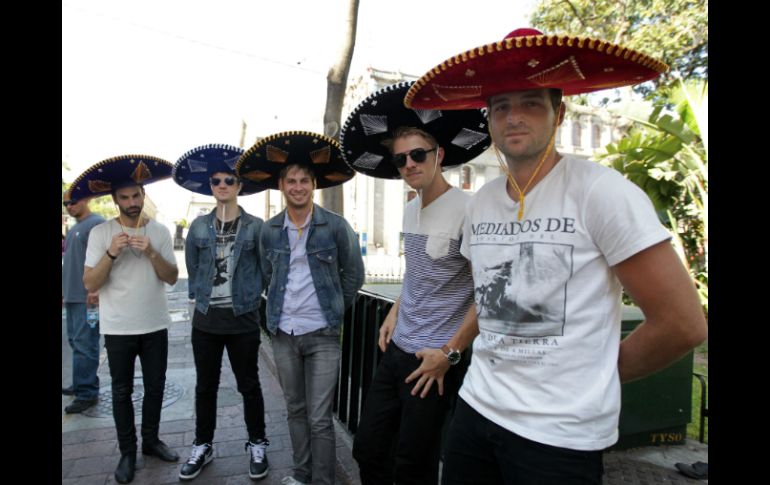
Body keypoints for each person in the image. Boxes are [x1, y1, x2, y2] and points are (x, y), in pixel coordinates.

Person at [405, 28, 708, 484]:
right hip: (477, 410)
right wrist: (452, 352)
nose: (514, 117)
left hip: (559, 436)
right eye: (501, 106)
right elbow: (487, 303)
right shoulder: (482, 201)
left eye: (530, 103)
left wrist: (598, 374)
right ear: (488, 120)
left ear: (559, 112)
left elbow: (683, 324)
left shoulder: (602, 193)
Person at [340, 81, 489, 485]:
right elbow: (418, 275)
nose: (408, 164)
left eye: (417, 155)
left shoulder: (469, 210)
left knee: (414, 464)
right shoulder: (409, 210)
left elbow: (487, 295)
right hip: (397, 349)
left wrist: (450, 354)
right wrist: (394, 310)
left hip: (434, 358)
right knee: (368, 447)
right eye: (400, 159)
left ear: (439, 155)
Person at [237, 131, 364, 485]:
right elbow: (266, 275)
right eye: (291, 180)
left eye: (304, 180)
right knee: (295, 410)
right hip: (283, 333)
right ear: (281, 186)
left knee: (320, 417)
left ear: (313, 185)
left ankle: (322, 481)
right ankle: (301, 474)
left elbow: (354, 275)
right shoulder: (270, 231)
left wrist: (335, 309)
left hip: (323, 334)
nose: (297, 186)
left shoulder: (335, 227)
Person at [78, 155, 180, 484]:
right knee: (121, 391)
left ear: (144, 196)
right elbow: (91, 284)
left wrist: (152, 252)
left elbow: (172, 278)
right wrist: (111, 253)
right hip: (118, 327)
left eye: (137, 196)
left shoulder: (160, 232)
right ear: (115, 200)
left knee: (155, 388)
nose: (132, 203)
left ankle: (151, 441)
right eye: (125, 197)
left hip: (154, 324)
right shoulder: (101, 234)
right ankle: (127, 452)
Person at [172, 144, 270, 481]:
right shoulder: (199, 227)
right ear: (211, 187)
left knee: (249, 385)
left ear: (240, 186)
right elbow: (193, 267)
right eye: (217, 181)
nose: (223, 185)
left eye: (230, 180)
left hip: (242, 318)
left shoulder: (257, 227)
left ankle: (257, 442)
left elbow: (265, 270)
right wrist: (196, 303)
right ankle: (203, 445)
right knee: (205, 387)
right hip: (207, 321)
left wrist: (257, 303)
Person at [62, 191, 105, 413]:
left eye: (73, 201)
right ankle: (81, 382)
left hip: (87, 298)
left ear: (86, 199)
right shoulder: (75, 228)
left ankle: (87, 392)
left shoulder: (96, 224)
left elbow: (104, 259)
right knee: (75, 341)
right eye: (65, 203)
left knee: (85, 343)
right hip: (72, 296)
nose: (69, 206)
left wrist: (96, 289)